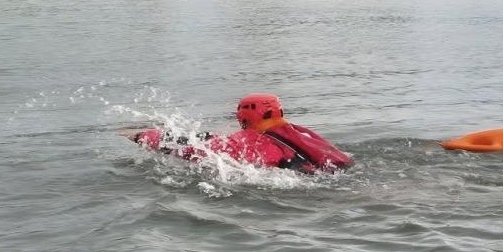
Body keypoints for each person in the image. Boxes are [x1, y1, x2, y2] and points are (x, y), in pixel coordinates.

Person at [131, 93, 353, 173]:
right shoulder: (300, 133)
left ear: (243, 116)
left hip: (304, 186)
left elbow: (198, 151)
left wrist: (146, 138)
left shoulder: (252, 140)